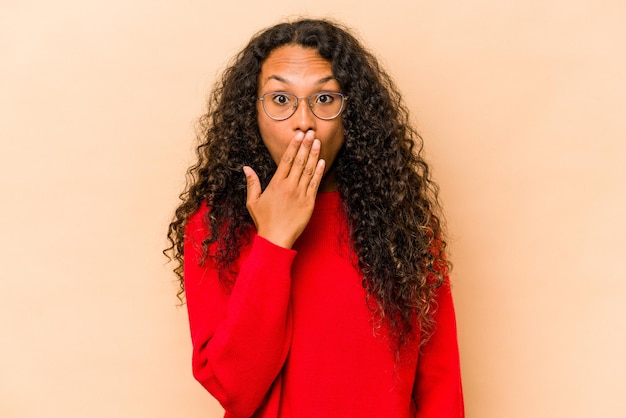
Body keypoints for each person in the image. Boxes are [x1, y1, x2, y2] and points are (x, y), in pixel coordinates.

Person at [166, 18, 464, 418]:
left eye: (324, 99)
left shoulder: (403, 225)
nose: (303, 121)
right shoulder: (215, 226)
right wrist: (273, 240)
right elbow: (233, 388)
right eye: (280, 99)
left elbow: (440, 386)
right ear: (251, 114)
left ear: (351, 114)